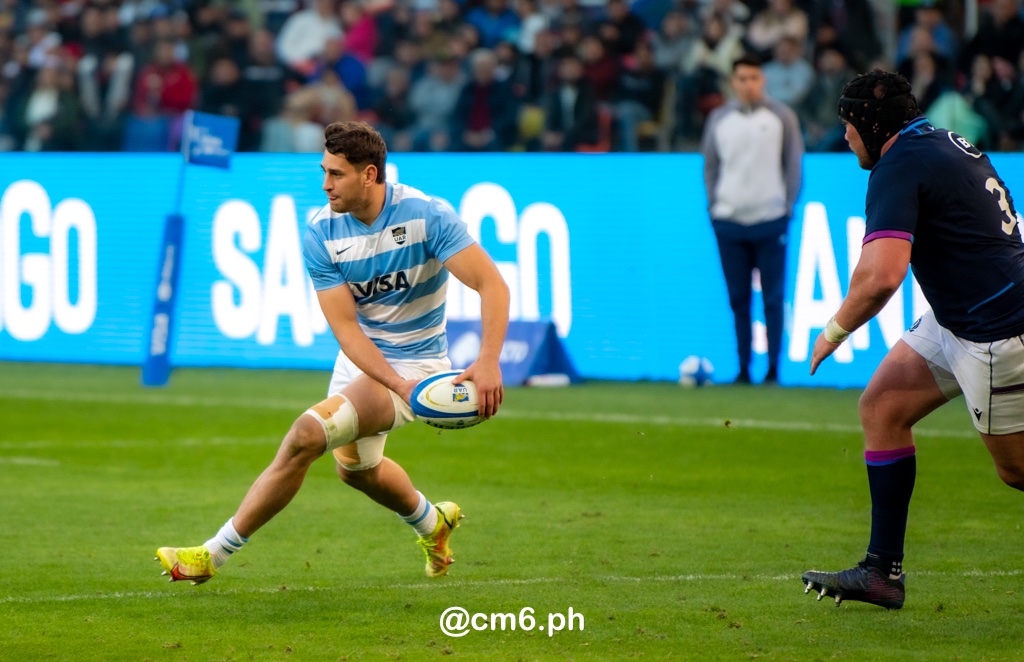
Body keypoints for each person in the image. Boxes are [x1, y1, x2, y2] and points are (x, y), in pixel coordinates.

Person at [157, 121, 510, 584]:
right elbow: (346, 329)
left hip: (418, 363)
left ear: (369, 175)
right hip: (365, 361)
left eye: (336, 174)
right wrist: (394, 385)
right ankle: (432, 522)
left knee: (306, 436)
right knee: (357, 472)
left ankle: (210, 556)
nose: (325, 184)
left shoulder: (427, 215)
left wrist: (487, 361)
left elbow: (492, 284)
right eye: (323, 171)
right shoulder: (321, 232)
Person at [802, 70, 1024, 610]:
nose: (846, 136)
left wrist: (832, 331)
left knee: (1016, 470)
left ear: (871, 123)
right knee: (882, 406)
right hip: (958, 318)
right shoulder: (944, 141)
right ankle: (882, 572)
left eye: (849, 124)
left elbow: (881, 276)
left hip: (993, 332)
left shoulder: (900, 163)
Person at [701, 53, 804, 384]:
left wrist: (786, 206)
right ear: (733, 81)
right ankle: (743, 368)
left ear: (764, 80)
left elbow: (793, 163)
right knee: (738, 299)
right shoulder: (719, 118)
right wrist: (714, 205)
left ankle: (774, 369)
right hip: (729, 220)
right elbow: (711, 166)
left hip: (770, 217)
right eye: (742, 78)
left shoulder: (781, 116)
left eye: (754, 78)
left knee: (773, 298)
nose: (748, 84)